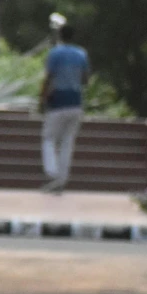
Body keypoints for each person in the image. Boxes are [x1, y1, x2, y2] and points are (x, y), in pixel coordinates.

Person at [39, 23, 90, 193]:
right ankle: (62, 178)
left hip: (58, 101)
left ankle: (52, 172)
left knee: (49, 138)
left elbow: (49, 78)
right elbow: (85, 79)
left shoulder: (55, 53)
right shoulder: (81, 54)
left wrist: (42, 98)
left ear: (60, 35)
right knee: (68, 142)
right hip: (76, 101)